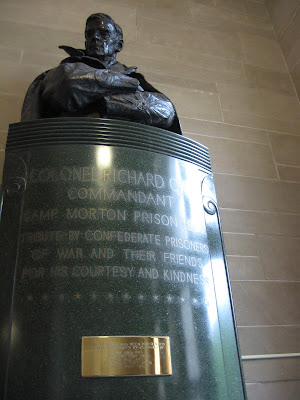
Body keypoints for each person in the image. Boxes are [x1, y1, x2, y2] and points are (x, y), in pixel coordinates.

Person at [21, 13, 182, 134]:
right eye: (89, 34)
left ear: (118, 45)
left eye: (103, 33)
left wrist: (104, 103)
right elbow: (67, 84)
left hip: (124, 146)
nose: (95, 38)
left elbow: (166, 111)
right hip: (76, 141)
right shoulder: (69, 68)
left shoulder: (134, 76)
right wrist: (131, 86)